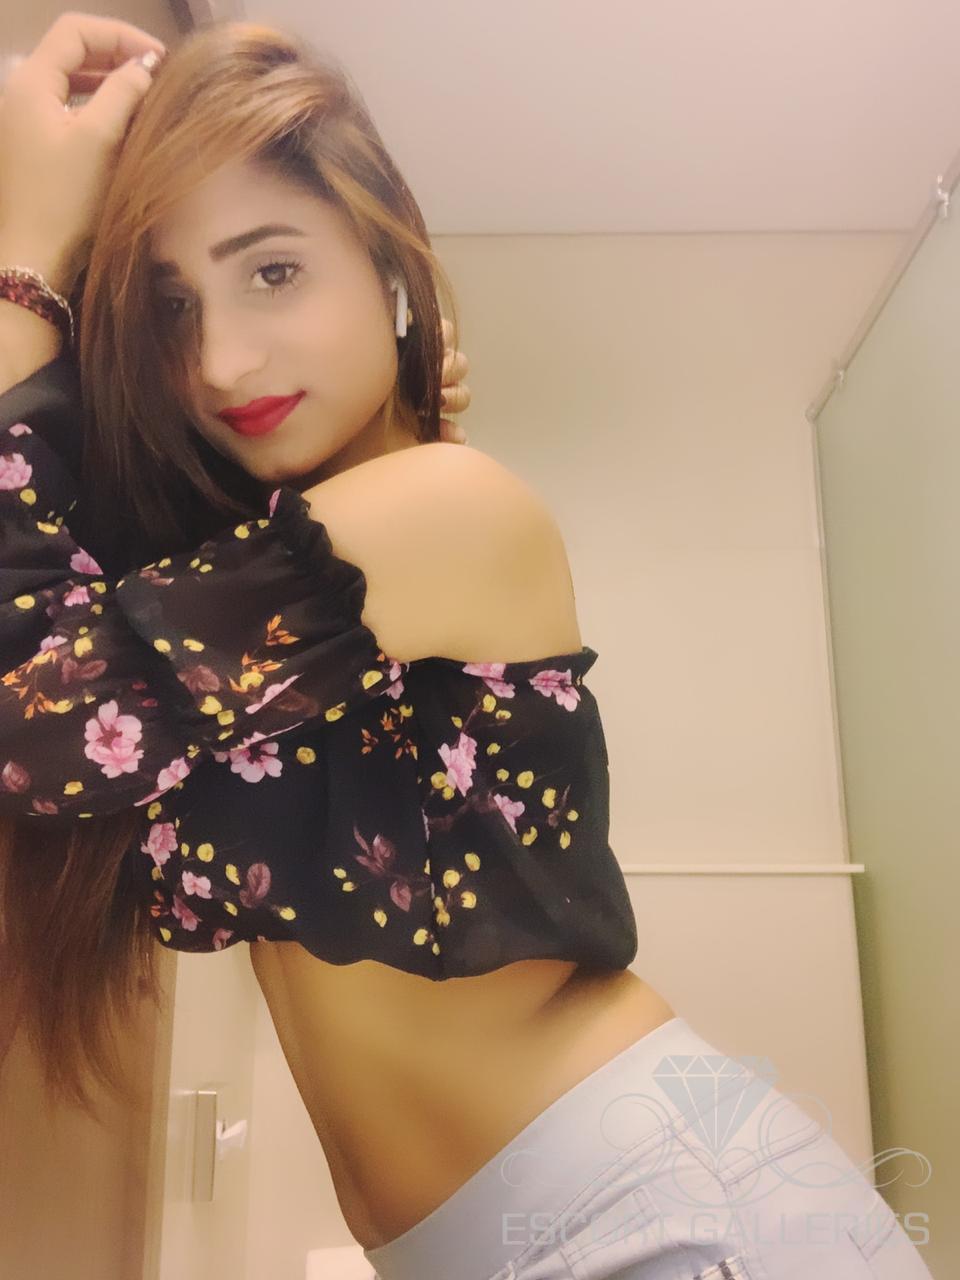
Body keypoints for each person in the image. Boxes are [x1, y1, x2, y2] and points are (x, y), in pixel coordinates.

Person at [0, 15, 935, 1280]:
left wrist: (21, 264)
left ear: (389, 264)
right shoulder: (285, 574)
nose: (218, 359)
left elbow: (38, 722)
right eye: (172, 308)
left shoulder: (446, 509)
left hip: (653, 1215)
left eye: (273, 270)